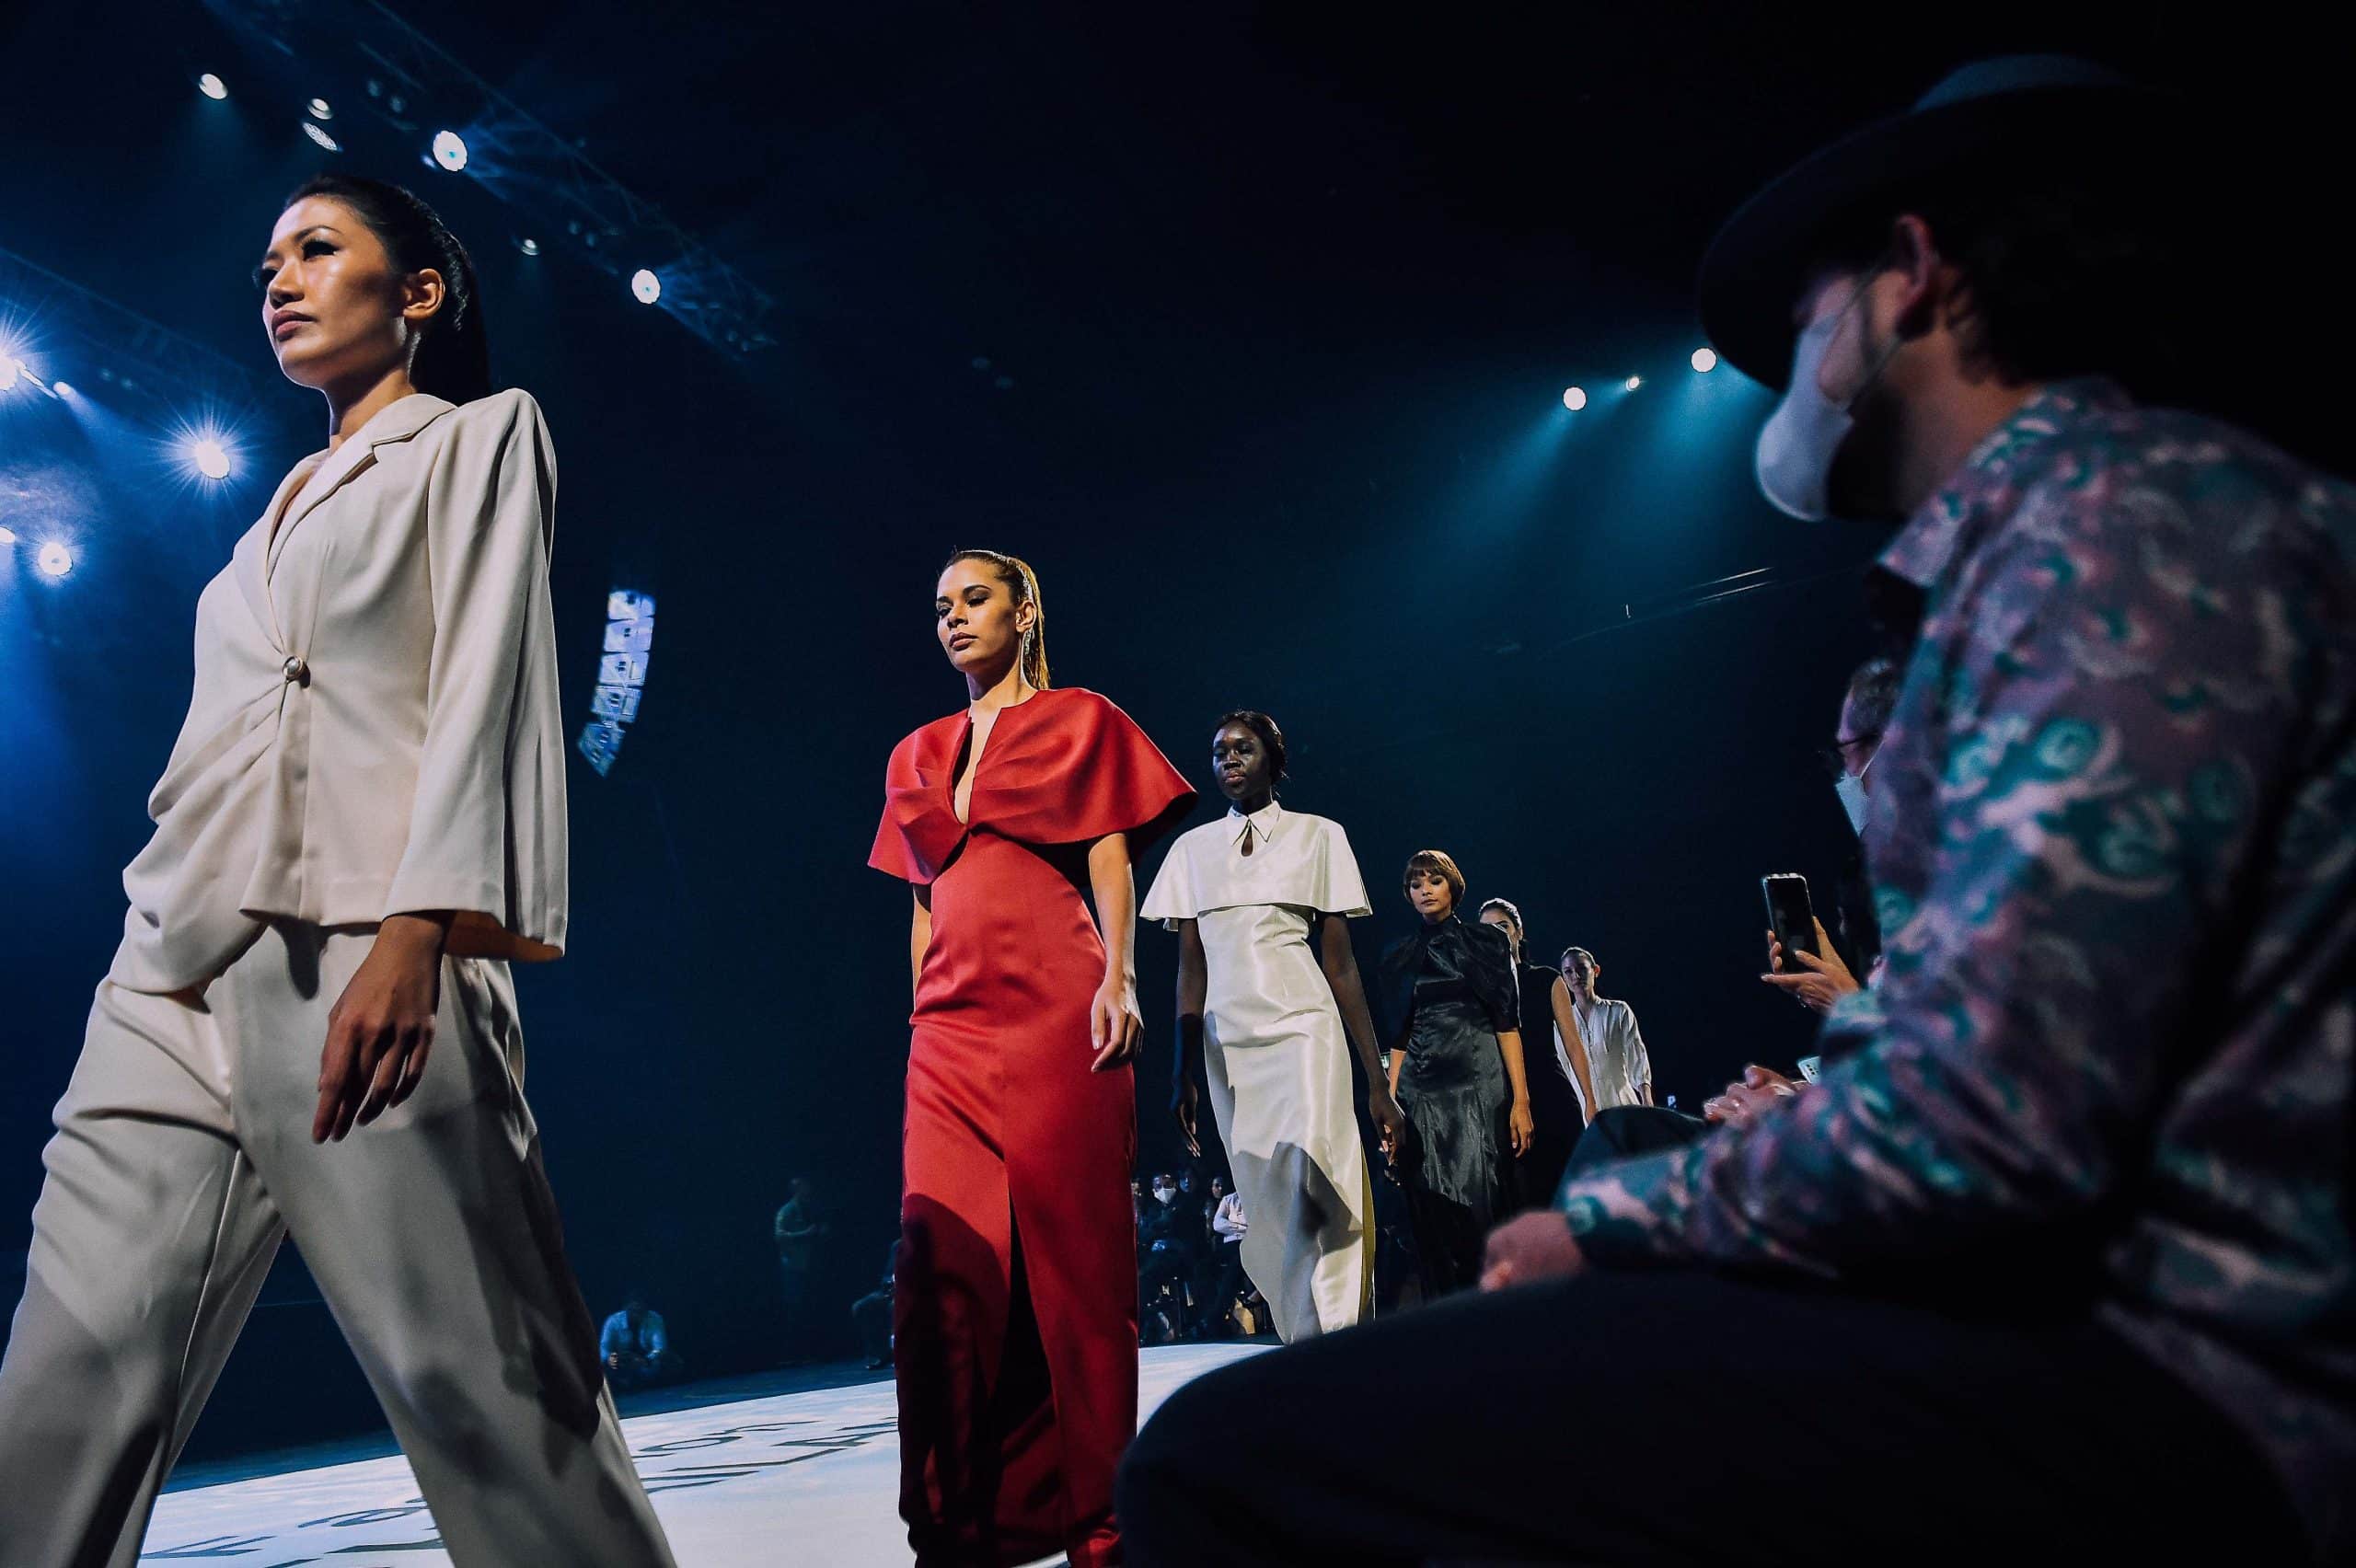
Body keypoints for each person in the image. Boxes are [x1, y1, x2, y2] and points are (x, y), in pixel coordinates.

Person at [1120, 58, 2347, 1565]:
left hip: (2187, 1385)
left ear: (1914, 274)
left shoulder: (2111, 541)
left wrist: (1625, 1224)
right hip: (2100, 1324)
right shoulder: (2085, 535)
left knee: (1225, 1458)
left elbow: (1999, 1124)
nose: (1795, 356)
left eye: (1810, 308)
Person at [0, 177, 675, 1566]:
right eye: (267, 263)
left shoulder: (480, 436)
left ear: (418, 291)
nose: (280, 280)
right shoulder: (266, 517)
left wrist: (422, 928)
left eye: (317, 250)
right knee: (65, 1380)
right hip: (168, 964)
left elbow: (487, 678)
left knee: (481, 1388)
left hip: (369, 939)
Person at [871, 548, 1193, 1568]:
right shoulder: (916, 753)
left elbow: (1108, 854)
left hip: (1062, 1010)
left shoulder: (1079, 720)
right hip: (948, 1035)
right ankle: (950, 1524)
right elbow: (922, 904)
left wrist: (1121, 978)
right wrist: (920, 1020)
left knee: (1080, 1270)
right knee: (936, 1268)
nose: (954, 618)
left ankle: (1100, 1525)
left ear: (1023, 612)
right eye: (941, 607)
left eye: (975, 599)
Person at [1142, 709, 1403, 1342]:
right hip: (1227, 1040)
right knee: (1268, 1194)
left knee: (1318, 1167)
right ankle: (1303, 1334)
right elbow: (1190, 972)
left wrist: (1377, 1082)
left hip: (1305, 1024)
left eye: (1244, 749)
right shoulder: (1191, 851)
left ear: (1274, 760)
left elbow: (1341, 968)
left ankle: (1341, 1333)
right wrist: (1182, 1070)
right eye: (1219, 752)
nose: (1229, 760)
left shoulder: (1319, 836)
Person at [1376, 851, 1530, 1300]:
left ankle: (1497, 1304)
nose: (1425, 890)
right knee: (1430, 1209)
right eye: (1416, 884)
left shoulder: (1486, 942)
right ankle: (1448, 1315)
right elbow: (1399, 1039)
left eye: (1434, 880)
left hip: (1478, 1084)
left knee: (1482, 1199)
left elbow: (1507, 1023)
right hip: (1421, 1091)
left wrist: (1521, 1100)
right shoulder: (1399, 955)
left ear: (1453, 886)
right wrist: (1389, 1106)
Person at [1476, 898, 1591, 1206]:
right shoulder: (1480, 989)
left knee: (1568, 1192)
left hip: (1552, 1095)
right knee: (1524, 1197)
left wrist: (1590, 1100)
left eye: (1503, 926)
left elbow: (1573, 1044)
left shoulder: (1547, 979)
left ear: (1518, 931)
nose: (1497, 935)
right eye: (1488, 930)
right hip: (1505, 1102)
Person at [1560, 948, 1652, 1113]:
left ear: (1595, 971)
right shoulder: (1562, 1024)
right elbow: (1565, 1070)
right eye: (1568, 971)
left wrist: (1647, 1101)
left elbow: (1637, 1058)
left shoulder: (1618, 1011)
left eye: (1581, 969)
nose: (1576, 976)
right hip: (1588, 1115)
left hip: (1623, 1107)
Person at [773, 1174, 829, 1358]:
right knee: (796, 1308)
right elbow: (780, 1235)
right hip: (794, 1266)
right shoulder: (787, 1211)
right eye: (804, 1186)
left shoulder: (813, 1207)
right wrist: (804, 1234)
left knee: (813, 1306)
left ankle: (815, 1350)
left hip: (812, 1264)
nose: (808, 1188)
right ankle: (794, 1353)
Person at [600, 1291, 681, 1390]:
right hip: (623, 1360)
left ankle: (652, 1383)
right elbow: (604, 1347)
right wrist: (611, 1358)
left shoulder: (655, 1318)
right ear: (625, 1308)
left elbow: (660, 1347)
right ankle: (626, 1384)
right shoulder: (613, 1321)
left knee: (672, 1360)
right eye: (633, 1310)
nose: (636, 1314)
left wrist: (646, 1360)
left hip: (647, 1359)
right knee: (603, 1365)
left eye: (640, 1311)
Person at [1204, 1177, 1249, 1337]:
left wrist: (1235, 1228)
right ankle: (1208, 1314)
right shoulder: (1228, 1199)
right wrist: (1242, 1227)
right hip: (1229, 1244)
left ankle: (1216, 1316)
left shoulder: (1253, 1196)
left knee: (1234, 1268)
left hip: (1248, 1242)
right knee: (1202, 1267)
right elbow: (1218, 1224)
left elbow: (1256, 1224)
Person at [853, 1244, 897, 1370]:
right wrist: (890, 1283)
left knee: (895, 1307)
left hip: (912, 1290)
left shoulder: (922, 1244)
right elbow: (887, 1274)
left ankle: (898, 1353)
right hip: (890, 1290)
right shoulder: (897, 1246)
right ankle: (879, 1354)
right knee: (863, 1306)